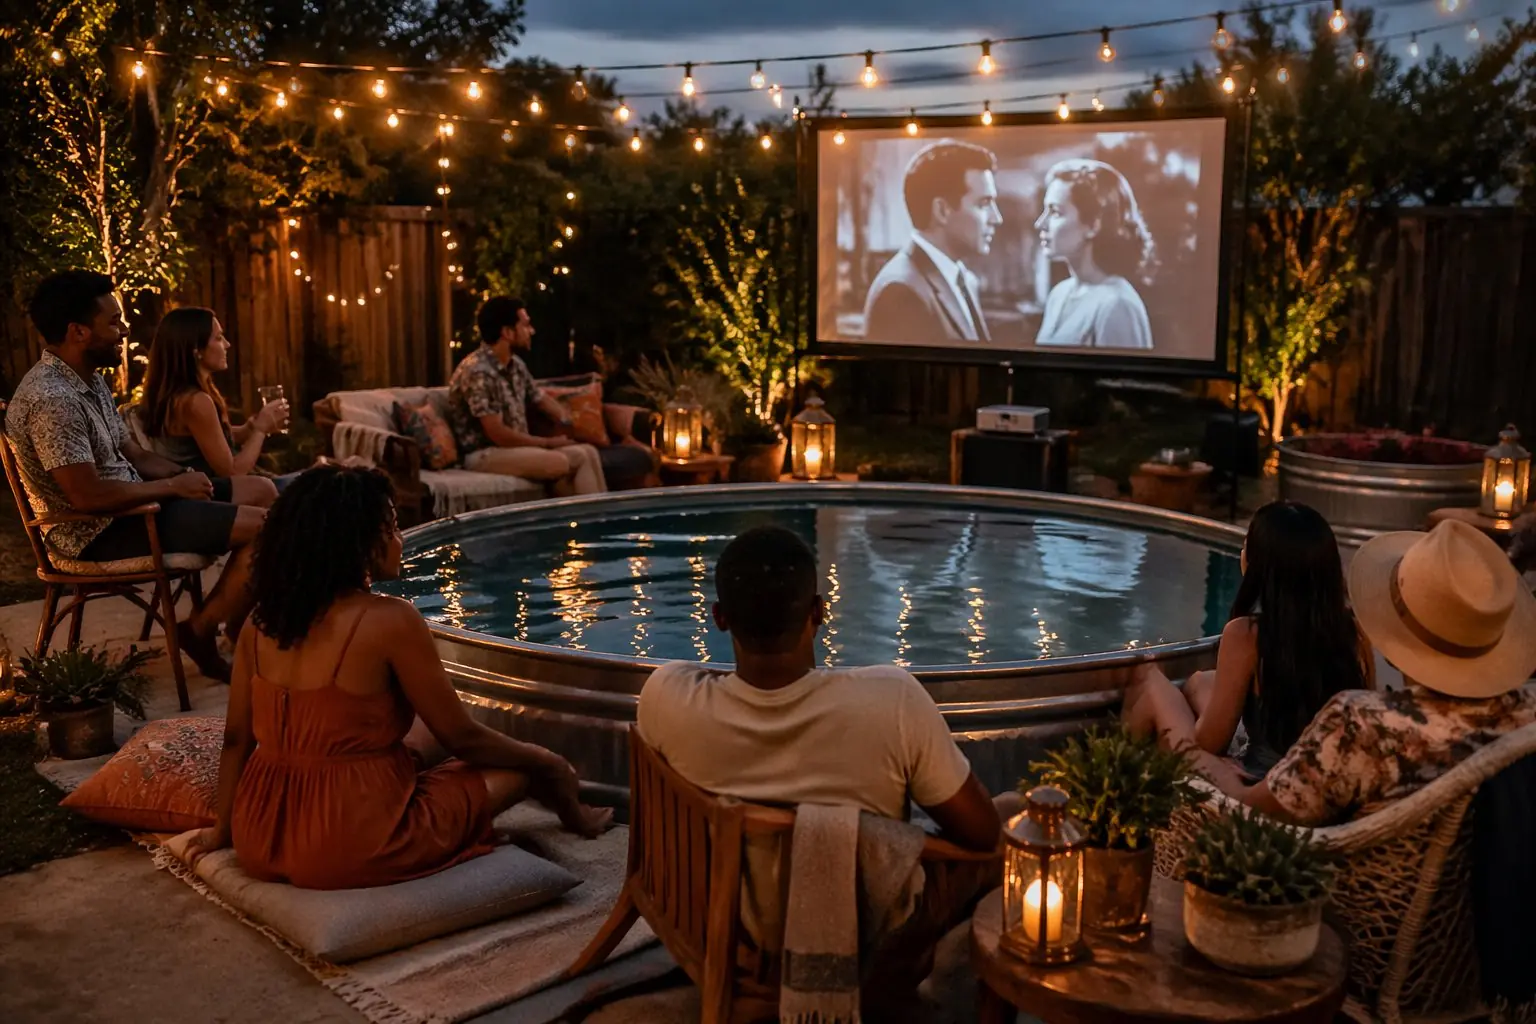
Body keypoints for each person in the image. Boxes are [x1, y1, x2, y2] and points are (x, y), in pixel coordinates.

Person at [184, 465, 611, 888]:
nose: (400, 539)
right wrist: (550, 762)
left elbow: (238, 739)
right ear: (361, 544)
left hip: (262, 835)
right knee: (523, 769)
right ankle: (576, 815)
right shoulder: (391, 620)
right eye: (391, 528)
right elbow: (465, 738)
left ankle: (382, 788)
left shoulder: (261, 623)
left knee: (429, 733)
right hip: (352, 845)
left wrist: (226, 829)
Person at [637, 526, 1006, 1006]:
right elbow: (981, 835)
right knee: (1015, 829)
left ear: (719, 618)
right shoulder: (891, 701)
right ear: (818, 612)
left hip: (734, 925)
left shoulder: (666, 697)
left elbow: (693, 676)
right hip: (866, 931)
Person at [4, 271, 273, 681]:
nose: (124, 330)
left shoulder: (88, 379)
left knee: (259, 489)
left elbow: (130, 451)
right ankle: (201, 629)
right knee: (265, 528)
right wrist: (171, 488)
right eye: (113, 322)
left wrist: (185, 477)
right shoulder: (51, 400)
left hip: (136, 501)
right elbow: (87, 496)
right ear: (77, 331)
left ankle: (238, 617)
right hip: (100, 530)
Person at [1195, 518, 1536, 827]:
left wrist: (1201, 760)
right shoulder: (1525, 711)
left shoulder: (1362, 723)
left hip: (1340, 874)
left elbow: (1252, 808)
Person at [1122, 501, 1374, 777]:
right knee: (1200, 682)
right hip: (1325, 780)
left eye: (1246, 546)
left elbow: (1209, 741)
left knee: (1151, 683)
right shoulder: (1353, 630)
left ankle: (1114, 785)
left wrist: (1184, 721)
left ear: (1258, 565)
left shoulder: (1248, 635)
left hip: (1256, 784)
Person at [447, 297, 605, 495]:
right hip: (484, 454)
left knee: (587, 452)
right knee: (561, 462)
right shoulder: (479, 371)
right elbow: (497, 434)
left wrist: (568, 421)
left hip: (514, 450)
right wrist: (547, 444)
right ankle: (585, 522)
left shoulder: (516, 365)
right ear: (507, 332)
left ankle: (602, 522)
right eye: (526, 325)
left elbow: (541, 399)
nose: (531, 331)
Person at [133, 306, 292, 487]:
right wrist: (260, 430)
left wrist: (247, 429)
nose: (227, 344)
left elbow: (205, 438)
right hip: (213, 493)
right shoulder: (195, 401)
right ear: (196, 350)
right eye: (218, 338)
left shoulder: (178, 394)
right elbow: (233, 472)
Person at [863, 141, 1003, 346]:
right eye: (983, 204)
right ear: (942, 211)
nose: (996, 218)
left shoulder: (964, 279)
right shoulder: (901, 291)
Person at [1033, 158, 1155, 350]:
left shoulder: (1118, 305)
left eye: (1055, 212)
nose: (1040, 223)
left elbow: (1124, 380)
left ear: (1093, 224)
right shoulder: (1059, 294)